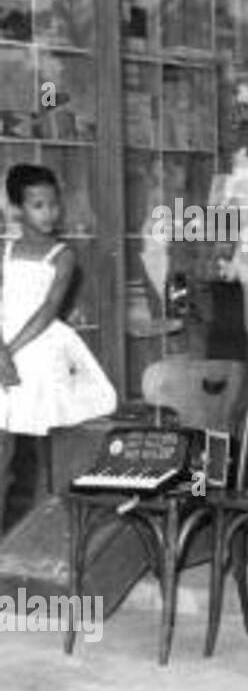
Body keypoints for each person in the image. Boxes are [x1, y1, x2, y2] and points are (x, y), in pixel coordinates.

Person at [0, 164, 116, 528]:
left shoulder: (62, 255)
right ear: (17, 208)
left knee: (44, 443)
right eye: (38, 205)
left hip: (38, 348)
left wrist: (11, 351)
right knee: (3, 447)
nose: (49, 212)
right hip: (2, 344)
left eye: (53, 204)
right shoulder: (4, 251)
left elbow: (49, 310)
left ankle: (44, 529)